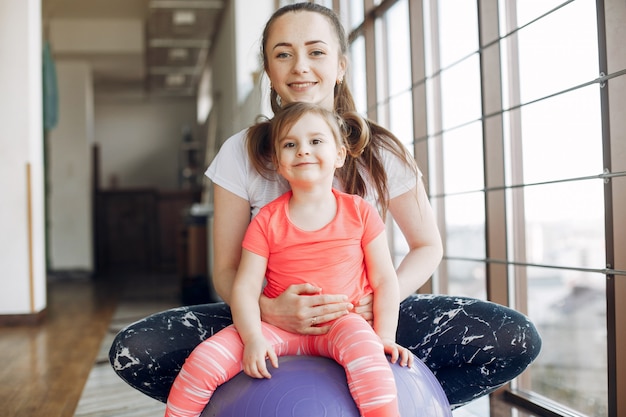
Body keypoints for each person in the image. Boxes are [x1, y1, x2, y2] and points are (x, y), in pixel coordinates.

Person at [110, 2, 541, 409]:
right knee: (136, 350)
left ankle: (404, 402)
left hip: (368, 316)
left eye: (316, 52)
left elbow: (427, 245)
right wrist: (269, 309)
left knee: (514, 337)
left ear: (339, 65)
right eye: (283, 54)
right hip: (267, 321)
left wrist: (378, 303)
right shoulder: (240, 151)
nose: (300, 66)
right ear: (269, 70)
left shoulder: (382, 150)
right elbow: (225, 271)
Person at [165, 102, 413, 417]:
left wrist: (385, 337)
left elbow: (384, 280)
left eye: (316, 141)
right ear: (279, 164)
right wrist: (253, 337)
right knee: (204, 359)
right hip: (277, 328)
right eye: (290, 144)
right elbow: (244, 287)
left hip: (344, 324)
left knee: (370, 357)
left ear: (339, 155)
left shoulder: (361, 212)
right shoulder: (266, 220)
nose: (303, 151)